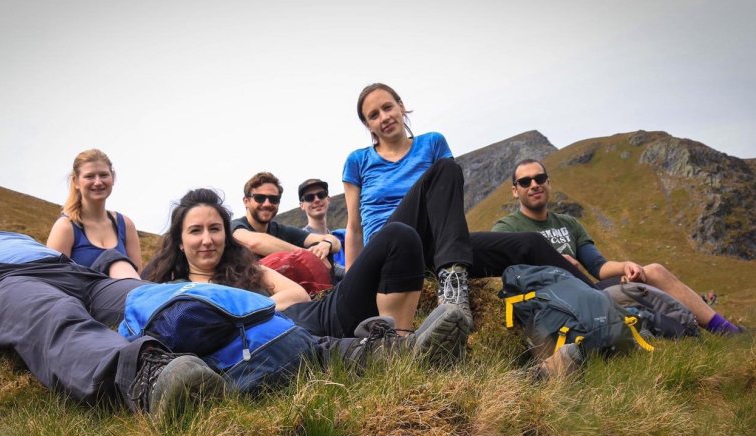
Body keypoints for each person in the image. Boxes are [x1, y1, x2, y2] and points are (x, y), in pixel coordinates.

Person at [0, 147, 226, 415]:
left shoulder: (16, 237)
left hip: (73, 275)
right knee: (53, 311)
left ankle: (247, 344)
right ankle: (148, 380)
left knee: (152, 298)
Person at [343, 83, 596, 330]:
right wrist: (350, 285)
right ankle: (452, 281)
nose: (384, 117)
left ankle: (603, 299)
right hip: (389, 248)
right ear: (368, 125)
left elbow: (446, 200)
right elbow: (354, 227)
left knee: (531, 243)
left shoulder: (432, 143)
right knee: (444, 169)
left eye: (388, 107)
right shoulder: (358, 160)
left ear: (401, 106)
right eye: (374, 115)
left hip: (433, 249)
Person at [142, 188, 470, 360]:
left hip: (320, 314)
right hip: (285, 341)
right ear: (181, 242)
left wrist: (242, 314)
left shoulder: (244, 268)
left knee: (399, 236)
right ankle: (405, 353)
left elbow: (296, 295)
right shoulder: (175, 291)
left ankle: (403, 339)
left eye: (215, 229)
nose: (207, 239)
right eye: (195, 231)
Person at [492, 159, 741, 335]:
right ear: (515, 191)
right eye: (525, 182)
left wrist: (626, 266)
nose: (534, 184)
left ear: (548, 182)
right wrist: (555, 267)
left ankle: (727, 331)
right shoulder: (506, 228)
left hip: (590, 289)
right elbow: (504, 277)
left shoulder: (568, 223)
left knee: (653, 270)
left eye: (540, 178)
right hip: (555, 301)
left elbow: (598, 266)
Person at [46, 149, 142, 279]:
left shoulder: (125, 225)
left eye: (103, 175)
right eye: (89, 176)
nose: (98, 182)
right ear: (76, 182)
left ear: (112, 178)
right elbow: (54, 280)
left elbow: (137, 277)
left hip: (123, 295)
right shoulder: (66, 227)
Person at [298, 178, 346, 279]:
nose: (317, 200)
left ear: (328, 199)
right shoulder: (300, 240)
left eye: (321, 195)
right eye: (309, 197)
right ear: (302, 205)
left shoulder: (343, 236)